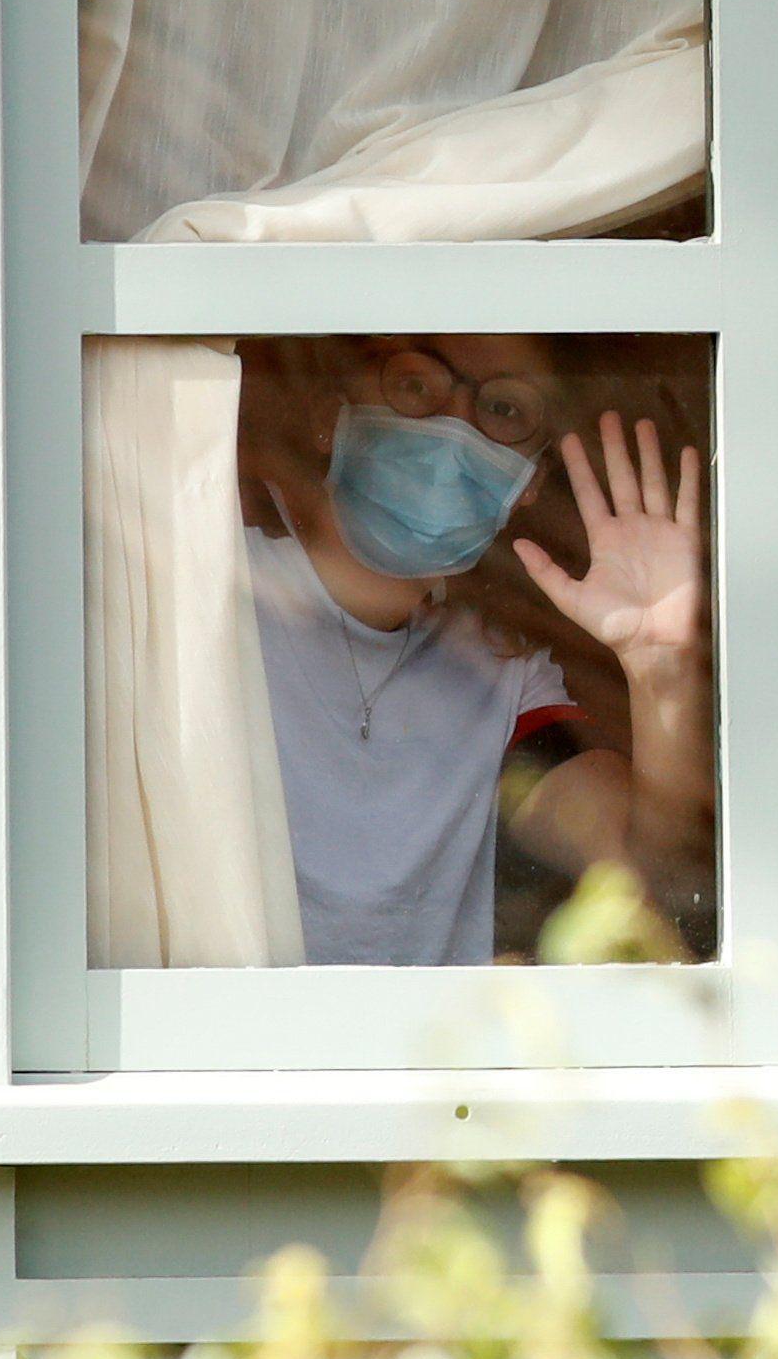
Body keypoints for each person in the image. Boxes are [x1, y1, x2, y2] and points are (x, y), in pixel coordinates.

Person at [234, 336, 712, 966]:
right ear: (330, 417)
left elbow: (645, 870)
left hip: (431, 1062)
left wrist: (662, 673)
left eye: (504, 410)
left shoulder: (500, 674)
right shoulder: (205, 590)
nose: (454, 426)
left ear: (530, 484)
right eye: (415, 385)